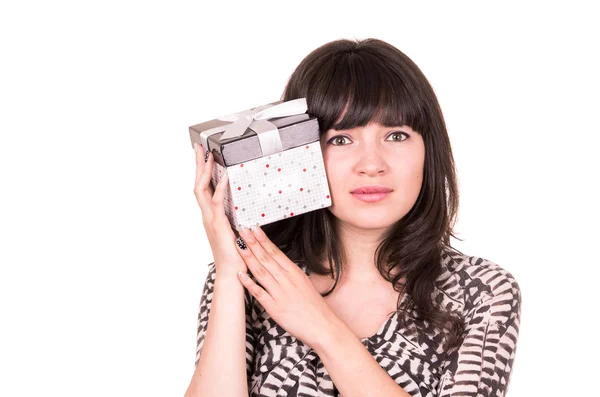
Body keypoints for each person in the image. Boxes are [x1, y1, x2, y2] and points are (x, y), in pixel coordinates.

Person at [184, 38, 521, 397]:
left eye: (396, 135)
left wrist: (323, 328)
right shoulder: (254, 276)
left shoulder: (479, 291)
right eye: (341, 140)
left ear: (429, 150)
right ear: (299, 153)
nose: (372, 165)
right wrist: (228, 270)